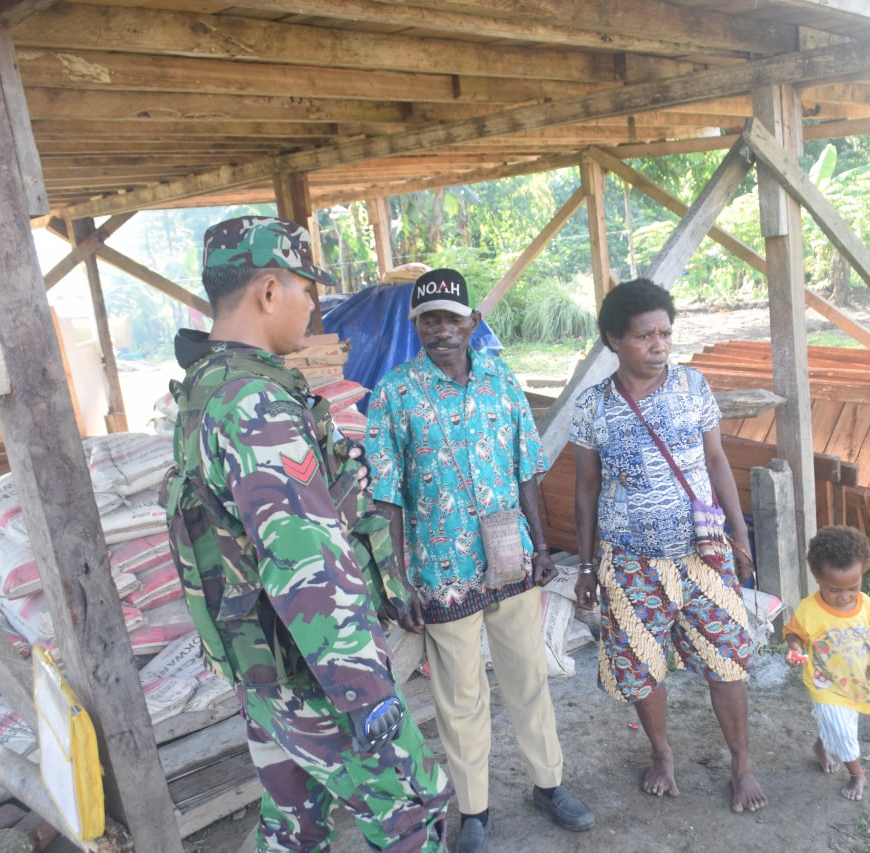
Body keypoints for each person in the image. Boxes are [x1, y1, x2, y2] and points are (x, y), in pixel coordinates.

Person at [161, 216, 451, 852]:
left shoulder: (206, 388)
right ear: (269, 291)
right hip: (312, 669)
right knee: (411, 812)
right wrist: (363, 688)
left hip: (266, 669)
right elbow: (304, 559)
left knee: (293, 825)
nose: (314, 306)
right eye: (307, 289)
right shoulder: (255, 405)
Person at [365, 268, 595, 853]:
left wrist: (541, 549)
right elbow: (386, 496)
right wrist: (396, 578)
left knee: (528, 678)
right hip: (441, 572)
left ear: (473, 322)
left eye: (451, 318)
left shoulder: (500, 380)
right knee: (460, 696)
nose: (440, 329)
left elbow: (526, 470)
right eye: (429, 320)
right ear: (416, 325)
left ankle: (549, 785)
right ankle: (474, 812)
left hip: (510, 557)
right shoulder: (394, 393)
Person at [570, 277, 767, 814]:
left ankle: (741, 763)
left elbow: (717, 461)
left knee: (727, 658)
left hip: (701, 554)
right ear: (615, 339)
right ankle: (661, 754)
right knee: (641, 665)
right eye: (645, 336)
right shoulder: (593, 406)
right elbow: (585, 489)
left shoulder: (692, 386)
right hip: (630, 562)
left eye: (665, 333)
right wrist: (585, 565)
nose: (659, 345)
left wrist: (739, 535)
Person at [783, 524, 870, 801]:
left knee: (841, 723)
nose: (845, 596)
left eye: (853, 588)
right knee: (843, 732)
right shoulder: (809, 609)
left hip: (857, 682)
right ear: (817, 577)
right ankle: (857, 774)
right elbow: (794, 634)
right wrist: (794, 648)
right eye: (834, 590)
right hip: (825, 685)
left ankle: (821, 747)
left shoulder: (866, 604)